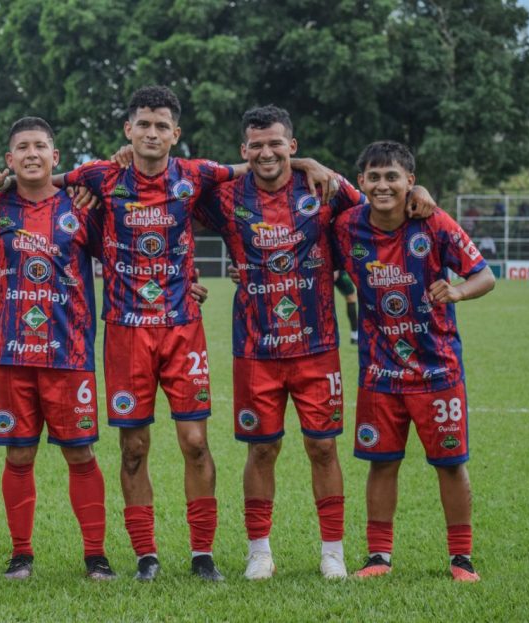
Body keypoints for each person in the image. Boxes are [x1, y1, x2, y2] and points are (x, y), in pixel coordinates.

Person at [56, 87, 336, 581]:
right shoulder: (101, 176)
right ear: (128, 130)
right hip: (124, 332)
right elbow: (40, 179)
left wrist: (306, 160)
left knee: (195, 443)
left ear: (175, 134)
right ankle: (146, 556)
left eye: (161, 126)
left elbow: (259, 163)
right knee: (133, 448)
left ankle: (201, 554)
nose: (152, 133)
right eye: (144, 125)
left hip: (183, 328)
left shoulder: (196, 175)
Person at [197, 106, 435, 580]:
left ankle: (333, 552)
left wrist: (420, 191)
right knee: (261, 450)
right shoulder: (225, 196)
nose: (267, 152)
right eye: (257, 145)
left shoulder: (325, 188)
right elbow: (167, 206)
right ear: (244, 150)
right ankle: (259, 551)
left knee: (323, 447)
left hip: (317, 345)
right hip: (256, 348)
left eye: (276, 143)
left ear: (293, 145)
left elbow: (383, 202)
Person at [333, 141, 495, 582]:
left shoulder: (433, 222)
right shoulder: (347, 226)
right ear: (362, 181)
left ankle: (461, 558)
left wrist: (457, 291)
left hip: (438, 369)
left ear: (409, 181)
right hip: (379, 371)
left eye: (393, 177)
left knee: (450, 463)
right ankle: (378, 557)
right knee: (382, 462)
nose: (383, 185)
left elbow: (484, 275)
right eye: (374, 177)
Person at [0, 117, 115, 581]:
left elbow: (125, 259)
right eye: (22, 148)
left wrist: (186, 281)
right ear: (9, 159)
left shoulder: (82, 206)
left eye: (40, 146)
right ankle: (21, 555)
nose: (31, 154)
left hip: (69, 354)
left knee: (81, 455)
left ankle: (96, 557)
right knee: (18, 456)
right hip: (11, 354)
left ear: (55, 157)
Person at [334, 270, 359, 345]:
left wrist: (336, 269)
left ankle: (355, 335)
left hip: (337, 270)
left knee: (351, 297)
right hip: (319, 269)